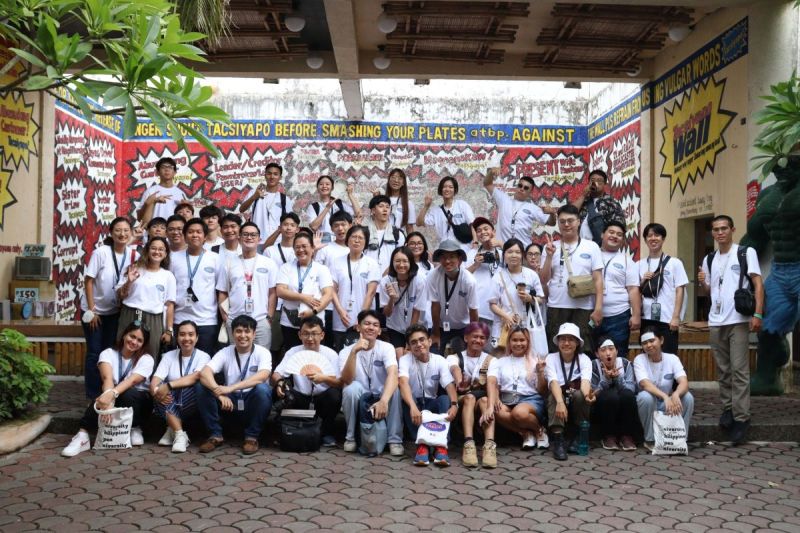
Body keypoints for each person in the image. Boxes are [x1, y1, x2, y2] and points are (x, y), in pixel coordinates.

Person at [698, 214, 763, 444]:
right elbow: (710, 291)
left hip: (737, 319)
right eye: (715, 229)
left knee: (739, 370)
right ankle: (728, 408)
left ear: (732, 229)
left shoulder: (746, 252)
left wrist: (757, 313)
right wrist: (704, 282)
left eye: (724, 228)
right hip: (716, 320)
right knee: (723, 370)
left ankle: (742, 418)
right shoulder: (709, 258)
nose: (720, 232)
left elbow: (757, 284)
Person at [61, 322, 154, 457]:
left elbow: (132, 381)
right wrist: (107, 401)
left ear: (143, 344)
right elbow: (107, 379)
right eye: (132, 336)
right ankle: (82, 435)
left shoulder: (146, 359)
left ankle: (135, 427)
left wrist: (111, 397)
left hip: (139, 402)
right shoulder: (108, 353)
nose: (134, 342)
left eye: (139, 340)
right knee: (101, 398)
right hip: (115, 395)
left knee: (127, 392)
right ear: (124, 335)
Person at [197, 315, 273, 454]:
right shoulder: (225, 352)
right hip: (229, 403)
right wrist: (218, 393)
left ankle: (252, 437)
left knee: (263, 389)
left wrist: (231, 387)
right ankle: (215, 435)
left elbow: (263, 376)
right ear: (232, 334)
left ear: (254, 334)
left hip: (251, 401)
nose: (242, 335)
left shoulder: (263, 352)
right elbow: (204, 373)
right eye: (238, 331)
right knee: (202, 387)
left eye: (247, 331)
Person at [80, 217, 138, 399]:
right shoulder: (101, 252)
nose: (122, 234)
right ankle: (92, 395)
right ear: (111, 234)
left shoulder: (132, 254)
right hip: (94, 311)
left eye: (126, 230)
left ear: (131, 232)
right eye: (118, 230)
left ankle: (106, 392)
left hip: (114, 312)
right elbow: (88, 281)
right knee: (95, 352)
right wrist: (92, 310)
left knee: (109, 352)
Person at [339, 310, 404, 456]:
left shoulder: (386, 347)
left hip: (381, 392)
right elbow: (347, 379)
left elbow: (393, 374)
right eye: (366, 324)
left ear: (379, 331)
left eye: (375, 325)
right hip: (361, 393)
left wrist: (384, 401)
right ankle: (350, 438)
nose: (371, 327)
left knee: (395, 388)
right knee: (350, 389)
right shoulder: (346, 351)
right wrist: (354, 352)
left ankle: (395, 440)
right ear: (358, 327)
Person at [540, 204, 604, 354]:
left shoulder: (591, 246)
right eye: (562, 221)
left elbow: (598, 279)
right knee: (556, 349)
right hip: (557, 305)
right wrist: (549, 256)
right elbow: (543, 279)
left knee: (583, 349)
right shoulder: (550, 247)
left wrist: (598, 307)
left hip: (584, 307)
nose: (566, 225)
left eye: (570, 220)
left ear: (579, 221)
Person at [272, 316, 342, 447]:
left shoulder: (331, 354)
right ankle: (287, 431)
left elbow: (340, 382)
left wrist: (324, 378)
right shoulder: (293, 352)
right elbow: (276, 374)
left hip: (322, 399)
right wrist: (280, 382)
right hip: (299, 398)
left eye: (314, 334)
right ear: (299, 335)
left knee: (335, 395)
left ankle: (326, 433)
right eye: (306, 334)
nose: (310, 338)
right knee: (278, 391)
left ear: (322, 335)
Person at [398, 324, 458, 467]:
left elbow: (449, 385)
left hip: (432, 402)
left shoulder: (440, 360)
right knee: (406, 400)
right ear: (409, 347)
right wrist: (412, 406)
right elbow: (403, 383)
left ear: (429, 341)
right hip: (415, 404)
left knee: (444, 399)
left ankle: (441, 446)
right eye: (413, 342)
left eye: (422, 340)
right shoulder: (405, 360)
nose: (418, 344)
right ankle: (421, 445)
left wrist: (455, 404)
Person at [150, 320, 211, 453]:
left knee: (187, 387)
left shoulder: (203, 356)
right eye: (182, 334)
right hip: (170, 399)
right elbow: (155, 380)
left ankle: (171, 429)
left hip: (190, 401)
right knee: (159, 390)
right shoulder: (168, 356)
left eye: (191, 334)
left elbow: (196, 376)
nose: (187, 338)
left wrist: (169, 385)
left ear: (197, 338)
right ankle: (179, 434)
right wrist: (156, 390)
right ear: (177, 337)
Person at [216, 221, 277, 350]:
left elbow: (272, 292)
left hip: (260, 320)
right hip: (235, 320)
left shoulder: (268, 263)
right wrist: (226, 318)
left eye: (253, 235)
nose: (249, 237)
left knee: (263, 359)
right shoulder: (229, 264)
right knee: (237, 358)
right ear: (239, 238)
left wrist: (269, 317)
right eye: (246, 234)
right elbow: (222, 292)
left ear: (259, 239)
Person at [488, 326, 548, 454]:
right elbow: (495, 384)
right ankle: (526, 433)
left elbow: (542, 391)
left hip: (530, 399)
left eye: (522, 340)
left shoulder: (535, 361)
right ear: (509, 342)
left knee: (518, 413)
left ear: (528, 342)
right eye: (514, 340)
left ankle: (539, 430)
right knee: (496, 410)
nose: (518, 343)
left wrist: (540, 372)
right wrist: (497, 398)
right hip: (507, 398)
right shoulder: (500, 361)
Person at [116, 236, 176, 359]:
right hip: (129, 314)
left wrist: (169, 331)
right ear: (147, 250)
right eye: (153, 248)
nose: (157, 252)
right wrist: (129, 282)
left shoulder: (168, 276)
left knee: (150, 353)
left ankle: (146, 379)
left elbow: (169, 305)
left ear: (165, 254)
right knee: (124, 351)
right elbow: (120, 296)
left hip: (153, 319)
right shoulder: (134, 269)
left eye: (161, 249)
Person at [634, 328, 694, 451]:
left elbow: (684, 382)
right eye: (645, 343)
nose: (649, 345)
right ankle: (650, 440)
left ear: (661, 340)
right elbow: (645, 384)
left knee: (687, 397)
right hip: (649, 404)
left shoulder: (672, 359)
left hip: (666, 404)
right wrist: (666, 396)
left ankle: (680, 438)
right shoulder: (639, 359)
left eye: (652, 341)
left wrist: (676, 394)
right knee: (645, 397)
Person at [276, 232, 335, 355]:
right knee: (292, 355)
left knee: (313, 356)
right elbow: (280, 291)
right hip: (289, 321)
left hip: (315, 322)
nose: (301, 250)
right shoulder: (286, 268)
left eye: (304, 246)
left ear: (313, 248)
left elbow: (328, 294)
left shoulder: (321, 269)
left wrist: (313, 312)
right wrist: (303, 297)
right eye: (297, 247)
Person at [446, 322, 495, 467]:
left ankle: (490, 445)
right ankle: (468, 444)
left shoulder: (491, 360)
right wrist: (460, 380)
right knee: (469, 397)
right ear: (466, 338)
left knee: (486, 401)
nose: (478, 340)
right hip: (462, 399)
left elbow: (492, 382)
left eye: (482, 338)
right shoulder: (454, 357)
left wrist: (492, 405)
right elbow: (454, 368)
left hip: (482, 399)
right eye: (475, 336)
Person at [169, 218, 221, 355]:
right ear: (185, 236)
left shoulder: (215, 258)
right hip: (179, 318)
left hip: (207, 320)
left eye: (199, 232)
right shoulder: (173, 258)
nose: (195, 235)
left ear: (205, 236)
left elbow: (220, 290)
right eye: (191, 232)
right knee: (179, 359)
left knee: (204, 360)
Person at [545, 322, 594, 460]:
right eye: (563, 339)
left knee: (580, 395)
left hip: (574, 396)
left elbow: (585, 383)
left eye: (571, 339)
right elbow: (553, 382)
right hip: (558, 395)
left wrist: (587, 396)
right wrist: (560, 402)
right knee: (555, 396)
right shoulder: (551, 358)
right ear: (558, 342)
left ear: (578, 343)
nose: (566, 343)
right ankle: (558, 439)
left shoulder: (584, 359)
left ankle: (578, 437)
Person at [638, 222, 689, 354]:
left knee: (669, 355)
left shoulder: (674, 263)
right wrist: (643, 280)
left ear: (663, 238)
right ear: (645, 240)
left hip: (667, 319)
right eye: (649, 236)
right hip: (647, 318)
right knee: (648, 355)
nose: (653, 238)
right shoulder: (639, 264)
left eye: (657, 235)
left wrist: (676, 317)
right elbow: (635, 292)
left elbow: (680, 290)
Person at [330, 226, 381, 351]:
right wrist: (341, 311)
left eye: (361, 238)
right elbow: (332, 290)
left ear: (366, 242)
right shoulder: (336, 262)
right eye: (353, 237)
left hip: (364, 322)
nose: (356, 240)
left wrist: (361, 319)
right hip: (341, 318)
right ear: (347, 240)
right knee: (340, 354)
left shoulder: (371, 263)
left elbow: (371, 292)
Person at [594, 220, 641, 357]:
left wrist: (636, 315)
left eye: (619, 235)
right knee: (593, 354)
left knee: (618, 354)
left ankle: (619, 379)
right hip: (592, 315)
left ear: (623, 240)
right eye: (611, 232)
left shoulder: (627, 260)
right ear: (602, 234)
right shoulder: (592, 254)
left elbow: (633, 289)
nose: (615, 236)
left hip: (619, 316)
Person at [489, 238, 544, 347]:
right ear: (504, 255)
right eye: (509, 252)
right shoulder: (498, 276)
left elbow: (541, 299)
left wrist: (530, 298)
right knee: (503, 356)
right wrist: (506, 316)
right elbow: (492, 304)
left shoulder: (531, 275)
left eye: (517, 252)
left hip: (527, 325)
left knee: (526, 356)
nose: (513, 255)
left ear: (522, 255)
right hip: (505, 325)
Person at [428, 240, 479, 353]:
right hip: (440, 326)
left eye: (452, 257)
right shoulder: (433, 275)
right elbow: (435, 306)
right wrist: (435, 332)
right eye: (444, 257)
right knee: (434, 355)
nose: (447, 261)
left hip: (463, 327)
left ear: (460, 260)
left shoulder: (469, 281)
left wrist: (472, 335)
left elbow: (473, 311)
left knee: (462, 360)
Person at [590, 337, 637, 451]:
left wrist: (618, 378)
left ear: (617, 351)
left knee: (628, 395)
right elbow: (592, 392)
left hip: (623, 401)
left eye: (611, 349)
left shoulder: (625, 364)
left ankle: (626, 436)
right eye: (603, 350)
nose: (608, 353)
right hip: (603, 404)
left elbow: (631, 389)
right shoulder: (593, 366)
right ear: (597, 353)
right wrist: (606, 379)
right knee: (610, 396)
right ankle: (608, 436)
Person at [483, 170, 555, 245]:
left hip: (524, 250)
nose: (522, 189)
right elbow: (487, 184)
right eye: (520, 186)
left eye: (526, 188)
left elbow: (551, 222)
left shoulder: (533, 208)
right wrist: (491, 172)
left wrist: (552, 214)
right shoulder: (503, 199)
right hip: (503, 250)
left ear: (530, 192)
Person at [315, 210, 353, 348]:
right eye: (336, 225)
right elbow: (316, 273)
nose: (340, 228)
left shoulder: (355, 249)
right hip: (328, 305)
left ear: (350, 225)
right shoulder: (325, 249)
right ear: (331, 228)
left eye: (343, 224)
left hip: (349, 304)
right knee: (329, 343)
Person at [379, 247, 426, 358]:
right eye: (397, 261)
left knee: (412, 355)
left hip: (415, 326)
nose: (401, 265)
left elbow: (417, 310)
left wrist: (410, 339)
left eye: (405, 261)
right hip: (395, 326)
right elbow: (386, 313)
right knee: (400, 356)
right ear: (392, 262)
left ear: (411, 262)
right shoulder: (386, 281)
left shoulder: (419, 280)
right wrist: (392, 299)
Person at [466, 217, 503, 344]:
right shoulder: (472, 253)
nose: (482, 232)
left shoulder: (504, 252)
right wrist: (475, 265)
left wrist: (501, 244)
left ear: (493, 231)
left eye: (486, 229)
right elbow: (462, 277)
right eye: (479, 230)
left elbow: (520, 264)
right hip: (480, 310)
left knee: (498, 351)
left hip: (501, 311)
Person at [239, 162, 294, 246]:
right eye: (269, 173)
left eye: (275, 174)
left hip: (277, 242)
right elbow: (242, 209)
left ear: (280, 177)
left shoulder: (285, 199)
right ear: (265, 175)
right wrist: (254, 197)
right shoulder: (255, 193)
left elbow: (289, 221)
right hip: (257, 241)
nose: (272, 177)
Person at [418, 176, 475, 250]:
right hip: (445, 249)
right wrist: (426, 206)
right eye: (444, 187)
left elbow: (472, 224)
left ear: (455, 190)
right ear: (441, 190)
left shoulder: (462, 205)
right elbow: (419, 223)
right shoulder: (436, 211)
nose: (447, 189)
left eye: (451, 187)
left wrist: (475, 241)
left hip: (463, 248)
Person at [573, 169, 625, 246]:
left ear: (604, 184)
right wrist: (583, 195)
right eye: (592, 180)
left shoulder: (611, 202)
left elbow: (620, 226)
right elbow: (570, 212)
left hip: (601, 247)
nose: (595, 183)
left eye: (599, 181)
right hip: (581, 246)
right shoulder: (583, 201)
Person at [306, 175, 358, 242]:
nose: (324, 186)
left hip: (340, 239)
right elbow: (314, 227)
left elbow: (358, 213)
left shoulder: (339, 203)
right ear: (317, 188)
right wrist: (327, 208)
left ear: (332, 188)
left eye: (327, 184)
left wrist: (350, 194)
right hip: (322, 241)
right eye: (321, 184)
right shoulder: (313, 207)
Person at [136, 157, 186, 223]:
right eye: (163, 167)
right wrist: (148, 203)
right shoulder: (150, 192)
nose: (167, 169)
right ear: (157, 172)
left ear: (175, 172)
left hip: (173, 232)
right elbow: (139, 218)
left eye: (170, 167)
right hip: (153, 232)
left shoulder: (181, 193)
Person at [364, 195, 406, 274]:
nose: (385, 210)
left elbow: (401, 257)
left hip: (389, 277)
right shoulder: (364, 232)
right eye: (381, 206)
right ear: (373, 210)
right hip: (367, 276)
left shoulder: (397, 233)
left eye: (387, 207)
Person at [376, 168, 416, 234]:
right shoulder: (381, 201)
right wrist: (376, 199)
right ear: (389, 181)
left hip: (400, 242)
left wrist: (410, 243)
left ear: (403, 183)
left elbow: (409, 228)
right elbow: (375, 221)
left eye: (400, 178)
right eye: (393, 177)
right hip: (383, 241)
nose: (396, 180)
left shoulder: (408, 204)